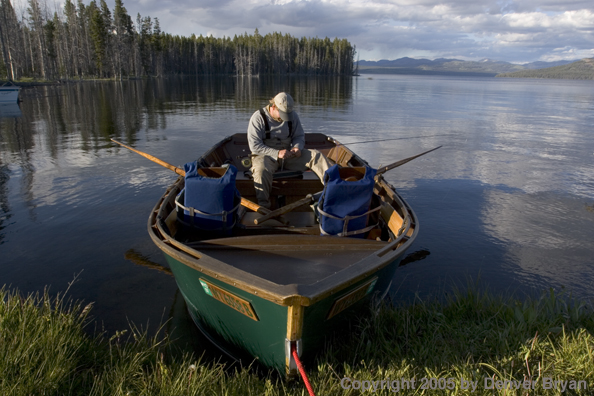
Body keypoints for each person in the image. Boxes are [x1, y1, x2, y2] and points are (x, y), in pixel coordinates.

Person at [247, 92, 331, 209]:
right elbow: (255, 146)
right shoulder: (258, 118)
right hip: (265, 157)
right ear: (273, 107)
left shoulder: (293, 116)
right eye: (282, 114)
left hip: (288, 155)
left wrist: (297, 147)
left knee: (316, 155)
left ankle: (332, 190)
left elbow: (299, 136)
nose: (284, 117)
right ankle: (264, 206)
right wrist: (277, 153)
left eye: (287, 114)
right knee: (261, 171)